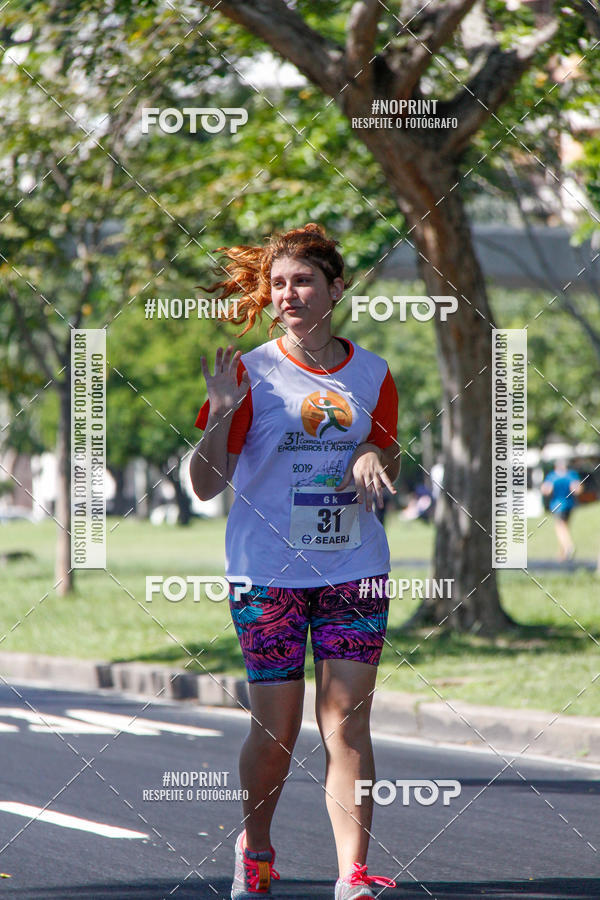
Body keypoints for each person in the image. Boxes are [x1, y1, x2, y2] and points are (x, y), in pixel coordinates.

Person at [189, 223, 400, 899]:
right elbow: (203, 485)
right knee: (276, 733)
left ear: (335, 290)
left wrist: (371, 454)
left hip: (354, 569)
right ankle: (255, 851)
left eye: (304, 281)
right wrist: (222, 412)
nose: (289, 294)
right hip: (268, 576)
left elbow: (389, 453)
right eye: (278, 284)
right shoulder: (249, 373)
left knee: (347, 723)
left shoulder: (372, 373)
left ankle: (353, 875)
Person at [541, 459, 582, 561]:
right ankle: (562, 554)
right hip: (569, 505)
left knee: (560, 528)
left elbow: (546, 490)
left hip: (558, 505)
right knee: (565, 527)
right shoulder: (571, 475)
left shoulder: (552, 476)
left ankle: (569, 546)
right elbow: (578, 490)